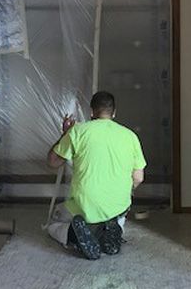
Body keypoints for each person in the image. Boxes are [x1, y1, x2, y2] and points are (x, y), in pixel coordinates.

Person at [46, 91, 146, 259]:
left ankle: (75, 236)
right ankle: (110, 231)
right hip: (118, 205)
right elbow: (138, 177)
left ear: (91, 112)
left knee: (53, 223)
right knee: (117, 214)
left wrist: (65, 134)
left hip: (84, 205)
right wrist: (127, 191)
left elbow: (53, 162)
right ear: (114, 113)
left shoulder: (77, 131)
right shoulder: (131, 136)